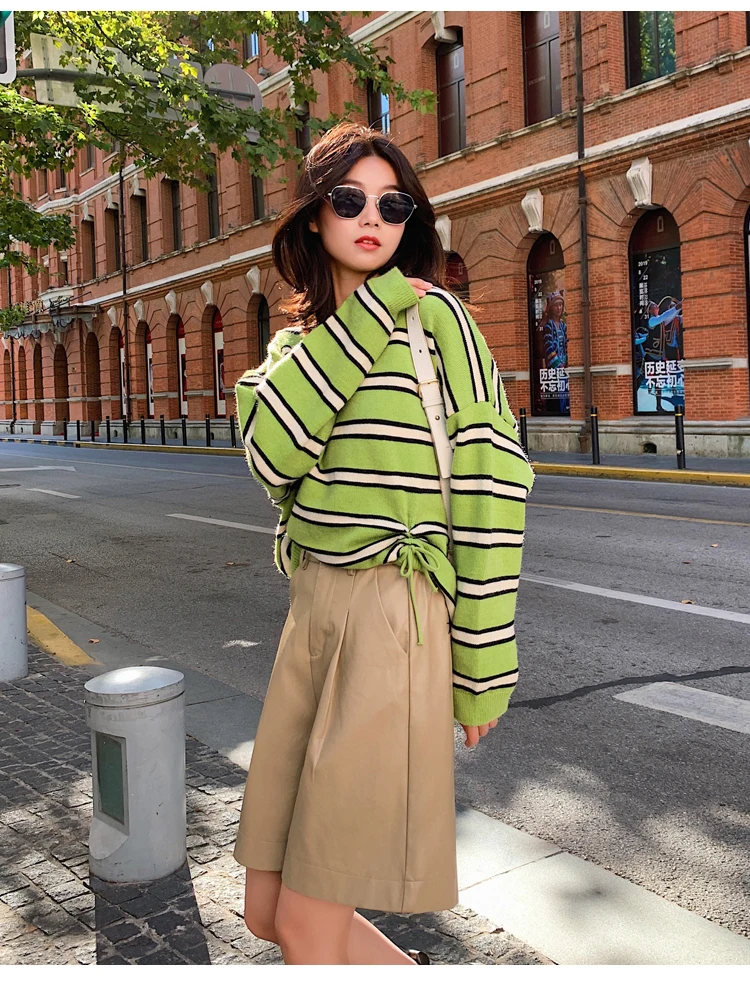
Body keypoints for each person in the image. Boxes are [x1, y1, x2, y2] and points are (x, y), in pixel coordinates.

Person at [232, 122, 535, 965]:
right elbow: (272, 454)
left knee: (307, 924)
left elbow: (491, 489)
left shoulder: (441, 325)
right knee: (266, 910)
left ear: (411, 221)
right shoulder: (295, 347)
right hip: (311, 621)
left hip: (393, 618)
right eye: (350, 199)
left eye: (393, 205)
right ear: (314, 214)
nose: (373, 217)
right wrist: (368, 315)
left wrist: (482, 665)